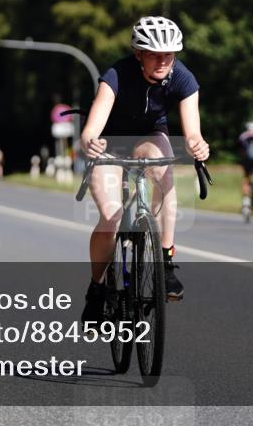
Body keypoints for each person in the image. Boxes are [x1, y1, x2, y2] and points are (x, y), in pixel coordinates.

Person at [79, 16, 210, 324]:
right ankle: (97, 289)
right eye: (154, 53)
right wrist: (90, 142)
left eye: (170, 53)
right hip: (110, 142)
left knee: (166, 177)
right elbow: (91, 129)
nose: (164, 60)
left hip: (149, 137)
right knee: (111, 216)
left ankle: (165, 263)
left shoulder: (183, 78)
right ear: (138, 53)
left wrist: (198, 146)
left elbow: (193, 132)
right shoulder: (116, 74)